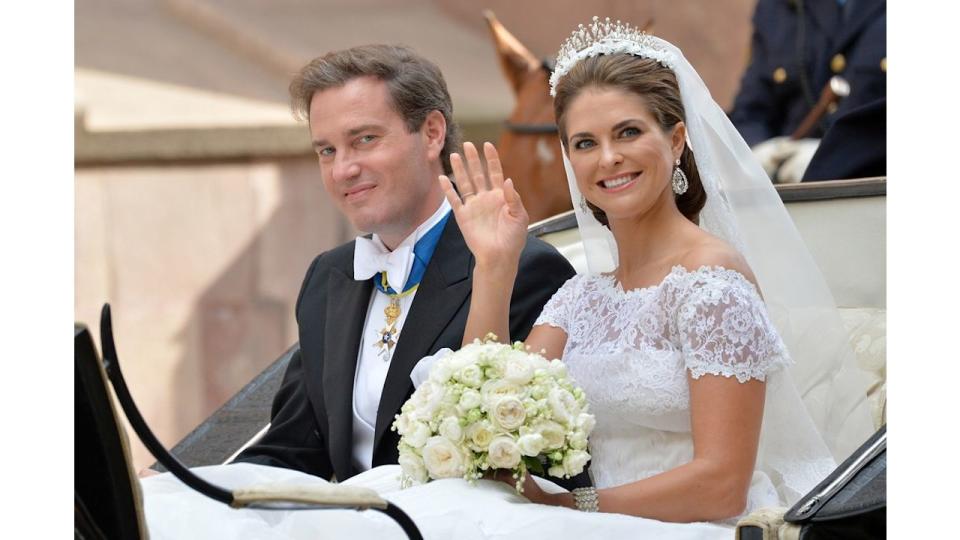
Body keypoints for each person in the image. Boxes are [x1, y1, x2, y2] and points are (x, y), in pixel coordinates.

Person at [141, 21, 873, 539]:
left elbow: (720, 482)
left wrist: (571, 509)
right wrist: (492, 266)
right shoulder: (581, 293)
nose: (606, 159)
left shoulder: (712, 284)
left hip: (680, 522)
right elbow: (481, 407)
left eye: (628, 133)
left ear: (675, 139)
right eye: (583, 142)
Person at [229, 44, 578, 484]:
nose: (343, 170)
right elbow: (294, 449)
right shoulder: (328, 276)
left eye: (364, 140)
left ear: (432, 133)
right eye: (327, 151)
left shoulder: (525, 269)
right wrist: (178, 488)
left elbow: (527, 461)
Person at [729, 0, 886, 182]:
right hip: (790, 195)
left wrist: (836, 157)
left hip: (875, 194)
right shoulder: (775, 7)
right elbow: (750, 112)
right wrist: (757, 151)